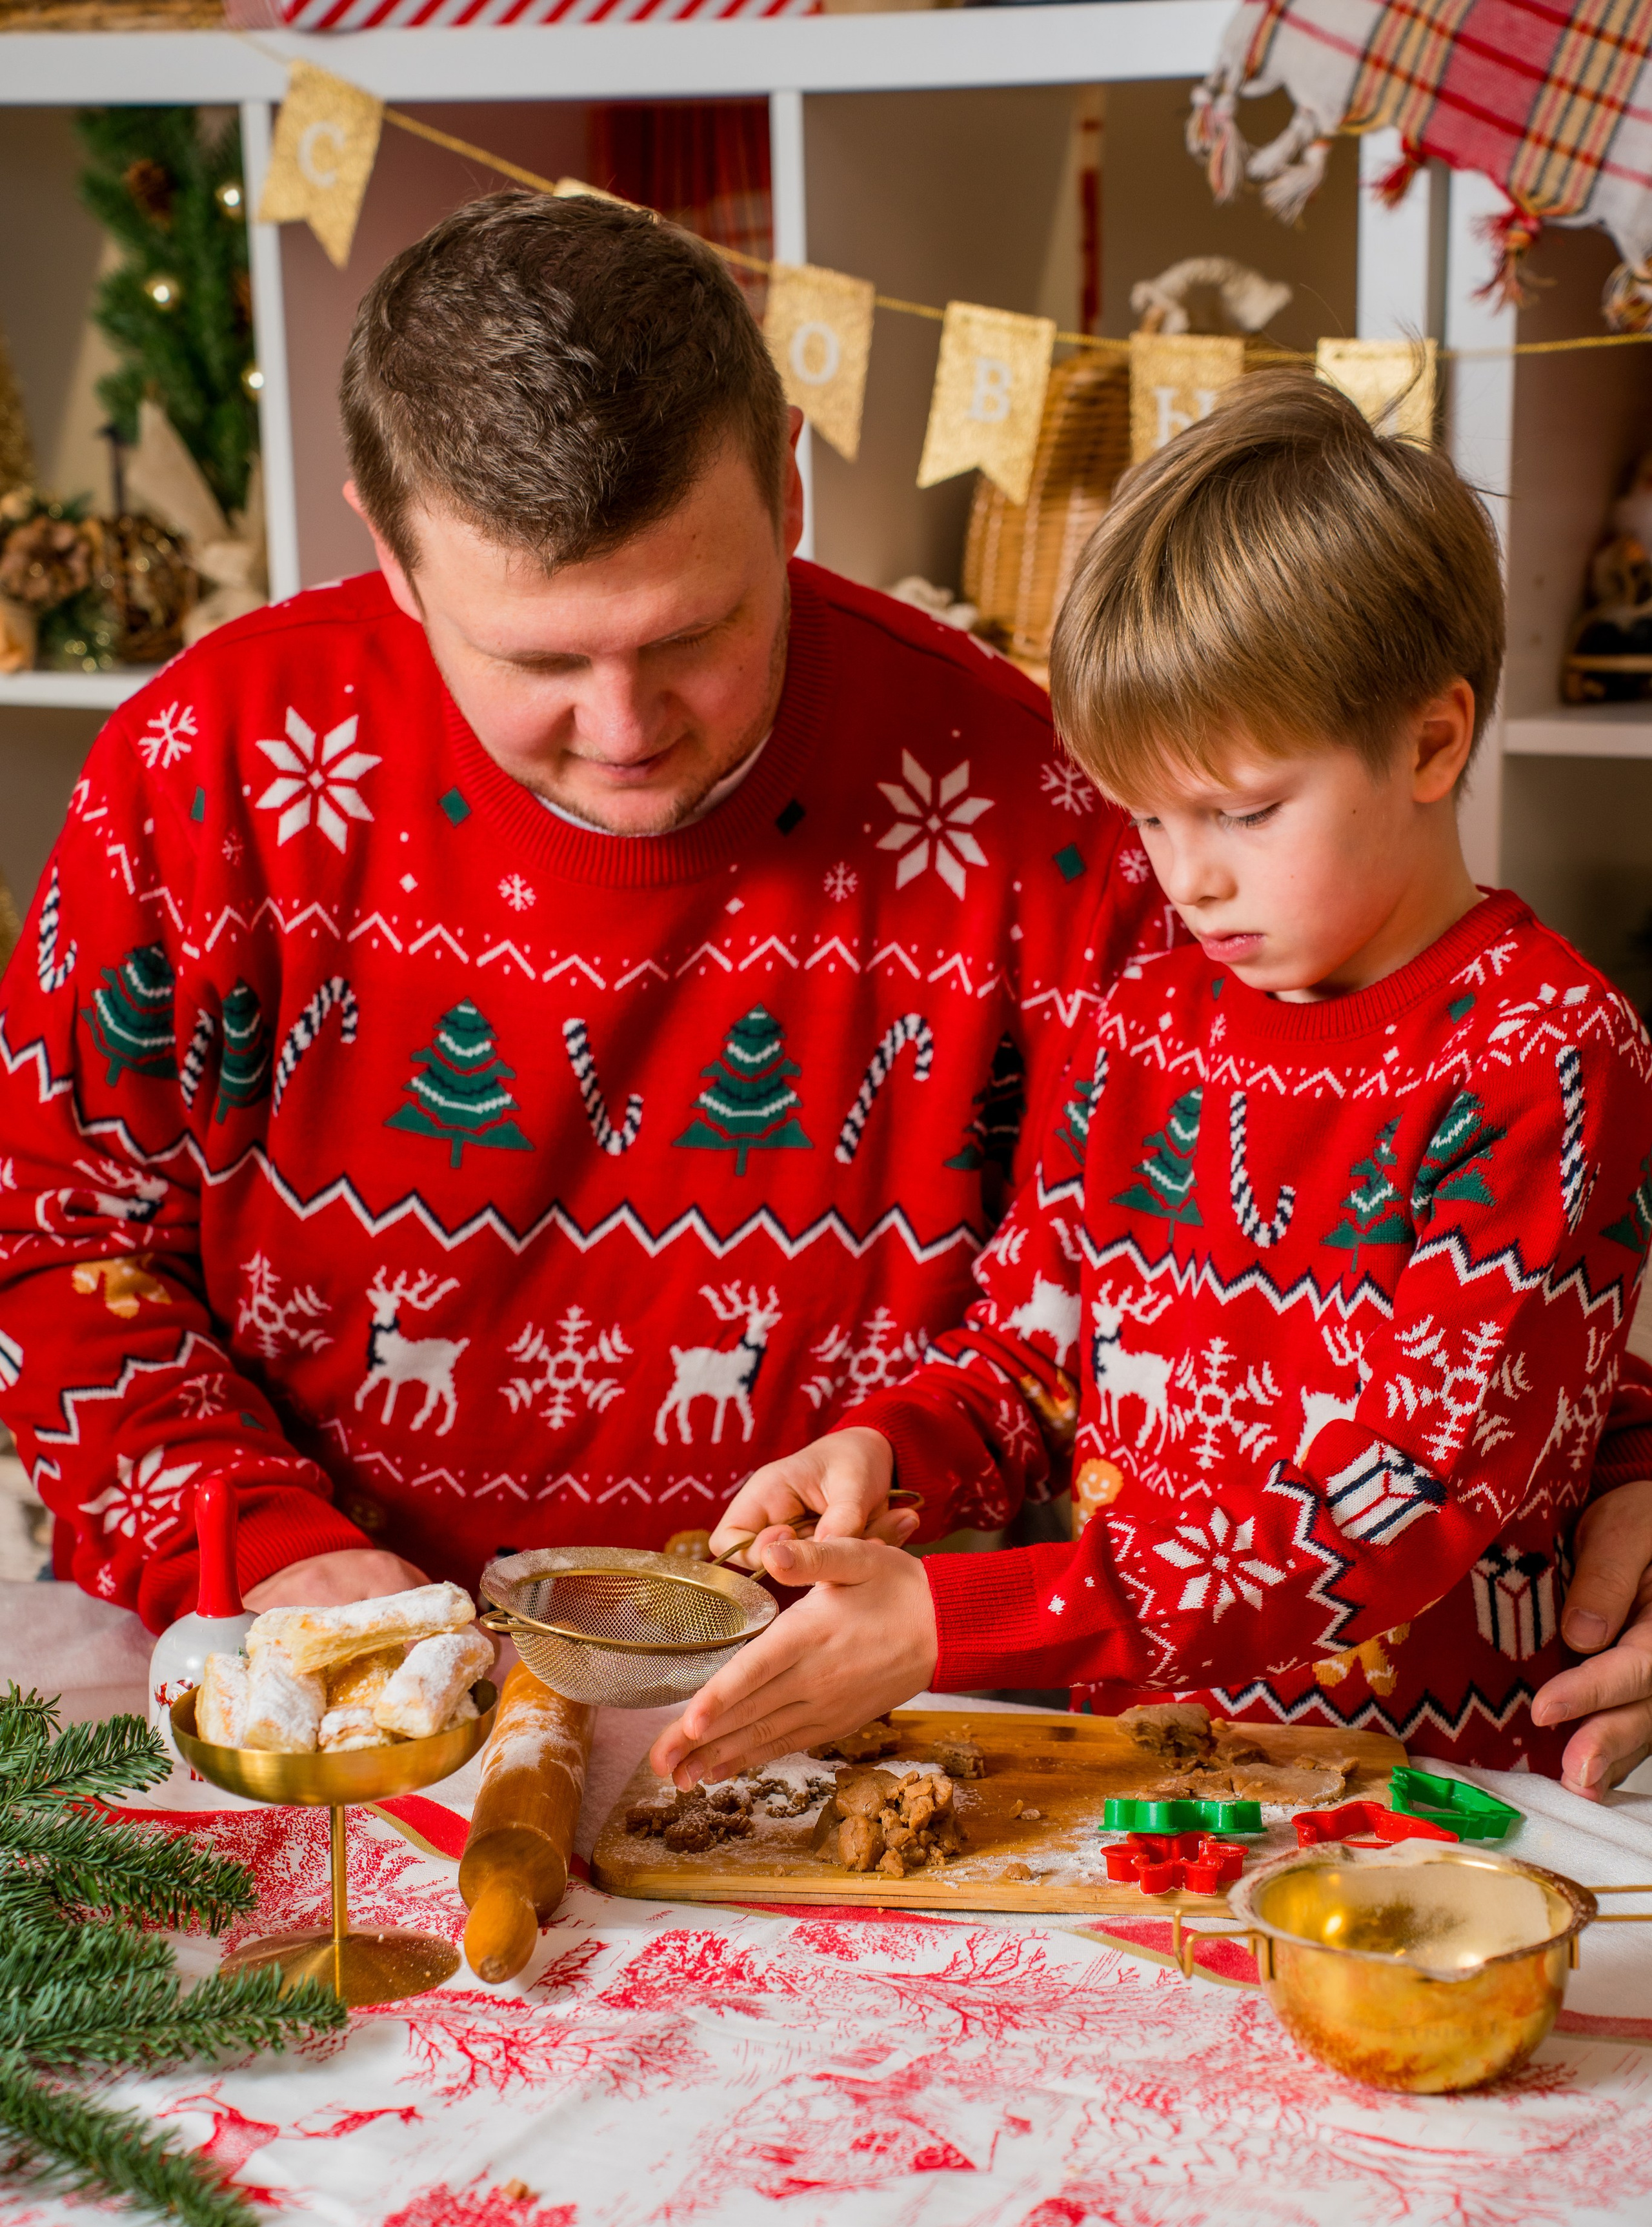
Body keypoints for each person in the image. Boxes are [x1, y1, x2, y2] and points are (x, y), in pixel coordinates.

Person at [0, 197, 1647, 1793]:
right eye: (539, 663)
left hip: (882, 1729)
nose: (626, 723)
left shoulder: (1056, 806)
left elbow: (1351, 1231)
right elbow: (50, 1238)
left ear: (788, 479)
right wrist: (274, 1561)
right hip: (327, 1700)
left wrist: (1620, 1461)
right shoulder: (207, 768)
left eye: (691, 632)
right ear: (389, 544)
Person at [662, 373, 1652, 1792]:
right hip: (1128, 1765)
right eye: (1145, 813)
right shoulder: (1146, 1015)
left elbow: (1395, 1503)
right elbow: (1033, 1352)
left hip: (1424, 1800)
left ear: (1430, 742)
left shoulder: (1539, 1054)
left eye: (1242, 810)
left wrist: (962, 1620)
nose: (1185, 875)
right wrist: (895, 1456)